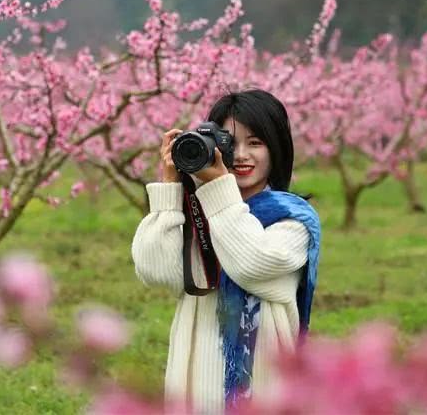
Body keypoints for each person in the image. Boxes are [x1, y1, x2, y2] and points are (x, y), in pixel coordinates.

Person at [131, 89, 321, 414]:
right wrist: (170, 187)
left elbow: (250, 262)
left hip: (263, 384)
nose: (243, 155)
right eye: (231, 143)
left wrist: (217, 189)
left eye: (256, 143)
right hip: (194, 382)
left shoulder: (292, 220)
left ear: (277, 149)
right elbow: (156, 271)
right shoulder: (201, 217)